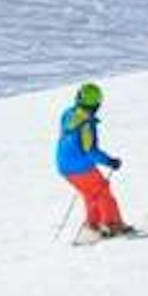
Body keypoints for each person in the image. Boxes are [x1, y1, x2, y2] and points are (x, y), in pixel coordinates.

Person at [53, 83, 132, 239]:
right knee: (103, 191)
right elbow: (90, 151)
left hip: (64, 165)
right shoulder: (86, 125)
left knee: (91, 193)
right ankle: (112, 224)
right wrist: (109, 161)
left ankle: (93, 224)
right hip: (80, 166)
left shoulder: (68, 114)